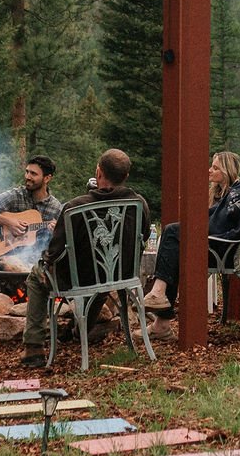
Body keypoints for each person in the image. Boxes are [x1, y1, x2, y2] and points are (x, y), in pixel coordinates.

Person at [19, 148, 150, 368]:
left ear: (98, 173)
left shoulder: (75, 207)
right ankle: (81, 331)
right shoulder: (139, 204)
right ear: (125, 177)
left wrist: (45, 261)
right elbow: (143, 238)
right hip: (122, 274)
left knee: (36, 276)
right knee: (101, 280)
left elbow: (56, 252)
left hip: (77, 279)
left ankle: (33, 348)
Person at [142, 138, 240, 317]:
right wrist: (195, 221)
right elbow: (221, 209)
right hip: (213, 234)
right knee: (174, 234)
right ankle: (160, 309)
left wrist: (208, 240)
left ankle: (160, 302)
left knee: (173, 236)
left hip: (223, 249)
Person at [0, 155, 65, 253]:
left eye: (33, 174)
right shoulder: (16, 195)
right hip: (5, 255)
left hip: (35, 258)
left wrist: (56, 233)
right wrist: (8, 222)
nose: (28, 177)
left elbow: (63, 242)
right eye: (27, 172)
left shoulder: (55, 208)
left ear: (47, 178)